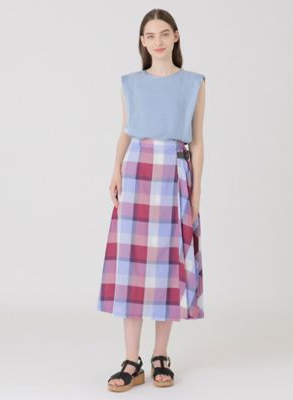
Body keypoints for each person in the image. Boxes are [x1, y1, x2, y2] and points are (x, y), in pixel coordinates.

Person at [97, 8, 206, 392]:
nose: (157, 41)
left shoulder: (193, 83)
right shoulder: (130, 83)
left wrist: (195, 194)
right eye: (149, 35)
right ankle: (132, 360)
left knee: (166, 269)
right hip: (137, 173)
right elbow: (126, 131)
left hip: (174, 175)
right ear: (142, 42)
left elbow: (197, 142)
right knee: (131, 269)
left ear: (176, 36)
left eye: (163, 33)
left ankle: (161, 354)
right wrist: (115, 170)